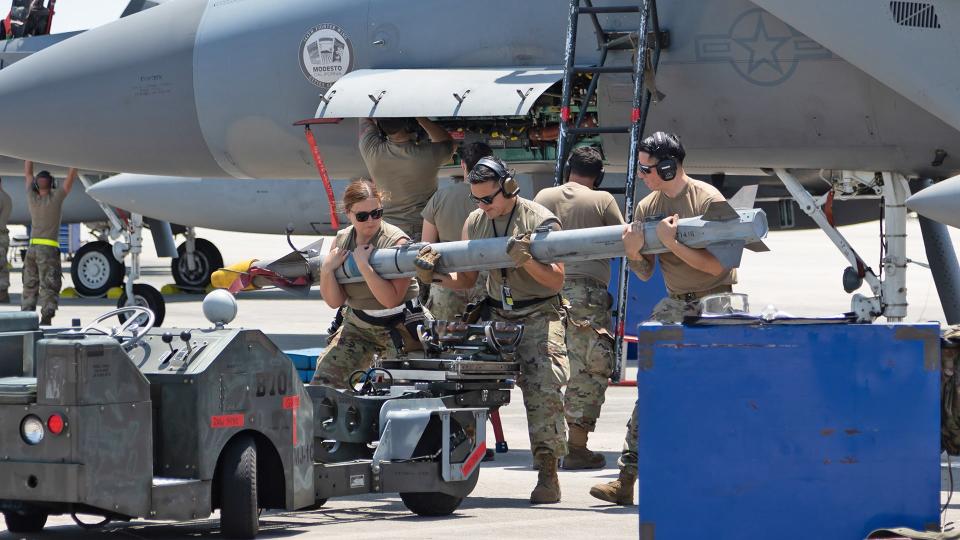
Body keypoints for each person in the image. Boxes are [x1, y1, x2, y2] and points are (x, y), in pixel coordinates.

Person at [590, 131, 737, 505]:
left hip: (714, 302)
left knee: (716, 392)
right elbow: (644, 272)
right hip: (674, 302)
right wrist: (634, 252)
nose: (641, 175)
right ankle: (626, 479)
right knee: (650, 387)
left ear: (669, 167)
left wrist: (672, 242)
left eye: (647, 169)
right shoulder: (647, 207)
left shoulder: (708, 200)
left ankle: (720, 477)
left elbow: (715, 266)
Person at [416, 156, 569, 504]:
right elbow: (467, 279)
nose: (483, 206)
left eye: (489, 199)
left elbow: (557, 279)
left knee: (543, 384)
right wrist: (433, 275)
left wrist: (528, 260)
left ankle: (547, 473)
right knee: (459, 380)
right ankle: (452, 463)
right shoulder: (475, 221)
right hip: (496, 316)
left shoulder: (540, 220)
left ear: (509, 188)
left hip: (538, 314)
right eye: (477, 199)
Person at [534, 146, 624, 470]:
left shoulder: (543, 197)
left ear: (568, 169)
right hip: (587, 295)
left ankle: (545, 449)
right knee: (590, 367)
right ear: (598, 176)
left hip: (545, 291)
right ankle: (576, 446)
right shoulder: (602, 201)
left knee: (549, 368)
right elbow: (623, 240)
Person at [310, 179, 426, 388]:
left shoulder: (397, 243)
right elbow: (335, 301)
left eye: (377, 213)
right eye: (362, 216)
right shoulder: (343, 240)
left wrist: (364, 266)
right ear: (348, 214)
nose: (371, 221)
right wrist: (327, 269)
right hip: (359, 326)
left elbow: (391, 300)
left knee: (404, 393)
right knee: (324, 385)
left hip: (399, 327)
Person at [419, 141, 491, 321]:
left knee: (443, 343)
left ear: (463, 165)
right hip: (486, 283)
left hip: (448, 281)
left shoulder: (440, 197)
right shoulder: (495, 199)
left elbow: (426, 245)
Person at [359, 117, 455, 238]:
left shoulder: (370, 150)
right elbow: (447, 143)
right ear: (410, 126)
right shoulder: (429, 154)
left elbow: (364, 117)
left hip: (387, 232)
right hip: (423, 229)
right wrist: (421, 118)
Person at [22, 161, 76, 325]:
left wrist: (28, 157)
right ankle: (46, 318)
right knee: (49, 286)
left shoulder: (32, 198)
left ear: (37, 185)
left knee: (30, 286)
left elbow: (28, 175)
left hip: (32, 250)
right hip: (48, 250)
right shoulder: (56, 198)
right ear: (52, 184)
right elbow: (70, 180)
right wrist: (75, 163)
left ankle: (26, 318)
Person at [0, 178, 11, 303]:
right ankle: (3, 293)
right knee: (2, 265)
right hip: (3, 235)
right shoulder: (6, 197)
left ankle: (2, 294)